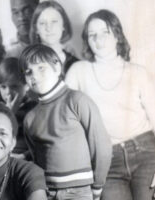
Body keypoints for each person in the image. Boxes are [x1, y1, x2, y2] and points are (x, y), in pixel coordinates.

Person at [65, 9, 155, 200]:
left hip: (146, 153)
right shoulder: (78, 71)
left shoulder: (138, 72)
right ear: (87, 41)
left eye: (105, 32)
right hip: (105, 161)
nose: (99, 39)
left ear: (117, 35)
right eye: (92, 35)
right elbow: (63, 118)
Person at [19, 44, 112, 200]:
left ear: (56, 67)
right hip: (47, 192)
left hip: (79, 191)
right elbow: (36, 159)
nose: (34, 75)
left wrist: (97, 187)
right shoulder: (30, 118)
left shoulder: (77, 100)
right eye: (29, 72)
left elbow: (102, 148)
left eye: (41, 68)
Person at [0, 58, 36, 159]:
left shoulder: (35, 109)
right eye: (3, 87)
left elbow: (42, 144)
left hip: (26, 160)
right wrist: (9, 114)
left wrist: (23, 157)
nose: (8, 92)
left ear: (27, 85)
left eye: (14, 86)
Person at [30, 0, 78, 76]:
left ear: (63, 25)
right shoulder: (28, 63)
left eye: (54, 21)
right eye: (42, 23)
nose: (49, 28)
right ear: (36, 29)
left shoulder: (75, 64)